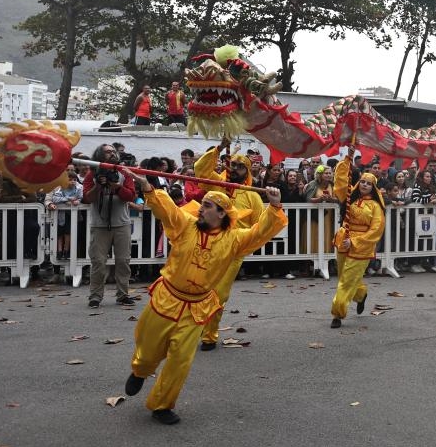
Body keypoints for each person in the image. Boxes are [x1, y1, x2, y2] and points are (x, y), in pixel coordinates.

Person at [122, 170, 286, 425]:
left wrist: (274, 206)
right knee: (147, 350)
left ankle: (162, 404)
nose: (200, 209)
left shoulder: (233, 240)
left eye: (207, 206)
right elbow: (167, 210)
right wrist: (147, 189)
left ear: (221, 213)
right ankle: (140, 371)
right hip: (167, 299)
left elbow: (259, 233)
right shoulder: (184, 226)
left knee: (181, 359)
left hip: (196, 308)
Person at [193, 144, 265, 349]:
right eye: (231, 164)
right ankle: (192, 326)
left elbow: (259, 227)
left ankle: (209, 335)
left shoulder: (253, 196)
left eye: (239, 167)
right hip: (205, 245)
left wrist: (244, 246)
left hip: (232, 251)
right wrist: (219, 148)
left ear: (247, 172)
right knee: (197, 289)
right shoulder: (217, 186)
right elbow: (201, 170)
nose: (233, 168)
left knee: (219, 293)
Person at [329, 156, 384, 327]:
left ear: (373, 187)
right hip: (343, 242)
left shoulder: (375, 206)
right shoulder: (349, 198)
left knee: (346, 280)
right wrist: (345, 163)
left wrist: (354, 242)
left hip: (361, 247)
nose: (365, 185)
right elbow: (339, 183)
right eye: (362, 182)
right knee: (344, 278)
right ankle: (361, 294)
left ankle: (337, 314)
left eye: (368, 183)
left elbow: (376, 230)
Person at [82, 144, 137, 308]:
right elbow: (86, 198)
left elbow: (131, 196)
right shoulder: (92, 174)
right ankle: (95, 296)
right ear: (99, 155)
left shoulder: (123, 173)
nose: (112, 154)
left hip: (122, 224)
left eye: (113, 151)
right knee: (98, 262)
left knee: (123, 261)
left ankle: (123, 295)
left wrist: (117, 187)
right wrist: (98, 186)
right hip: (99, 225)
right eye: (108, 152)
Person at [46, 165, 83, 259]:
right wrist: (66, 199)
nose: (73, 181)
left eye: (74, 179)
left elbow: (80, 197)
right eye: (67, 170)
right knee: (59, 234)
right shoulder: (57, 186)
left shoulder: (79, 187)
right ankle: (58, 252)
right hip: (57, 216)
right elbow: (51, 198)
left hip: (72, 216)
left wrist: (78, 201)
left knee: (68, 233)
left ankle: (66, 251)